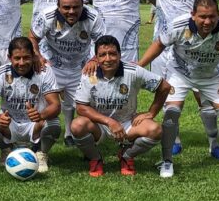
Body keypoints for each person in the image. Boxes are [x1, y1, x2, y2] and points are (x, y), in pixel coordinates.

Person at [138, 0, 219, 177]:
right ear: (193, 14)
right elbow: (159, 44)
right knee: (172, 112)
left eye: (212, 16)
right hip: (179, 73)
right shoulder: (179, 25)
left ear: (218, 14)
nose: (207, 21)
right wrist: (139, 67)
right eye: (202, 16)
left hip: (211, 75)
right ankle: (166, 162)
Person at [143, 0, 217, 158]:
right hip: (164, 45)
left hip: (194, 46)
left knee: (202, 94)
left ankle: (214, 141)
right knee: (167, 91)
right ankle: (173, 139)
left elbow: (210, 6)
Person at [71, 35, 170, 177]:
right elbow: (81, 107)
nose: (108, 59)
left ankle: (126, 155)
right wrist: (109, 122)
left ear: (119, 55)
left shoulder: (134, 71)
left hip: (127, 123)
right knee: (77, 126)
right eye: (102, 55)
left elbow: (164, 87)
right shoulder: (89, 74)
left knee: (155, 130)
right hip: (100, 125)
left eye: (112, 54)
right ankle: (95, 158)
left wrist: (151, 113)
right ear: (96, 58)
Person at [29, 0, 106, 148]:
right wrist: (37, 56)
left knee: (83, 105)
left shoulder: (93, 17)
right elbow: (33, 37)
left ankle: (82, 140)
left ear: (83, 5)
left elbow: (103, 42)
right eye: (66, 7)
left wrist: (94, 59)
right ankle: (38, 142)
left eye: (76, 7)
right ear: (58, 6)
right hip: (51, 65)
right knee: (45, 105)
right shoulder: (47, 16)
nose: (71, 11)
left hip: (81, 67)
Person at [0, 37, 62, 174]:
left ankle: (40, 152)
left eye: (26, 57)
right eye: (17, 58)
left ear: (33, 56)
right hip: (9, 124)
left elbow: (56, 105)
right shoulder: (0, 73)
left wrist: (40, 115)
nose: (21, 63)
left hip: (35, 124)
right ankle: (7, 149)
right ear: (9, 58)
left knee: (54, 123)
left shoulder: (44, 72)